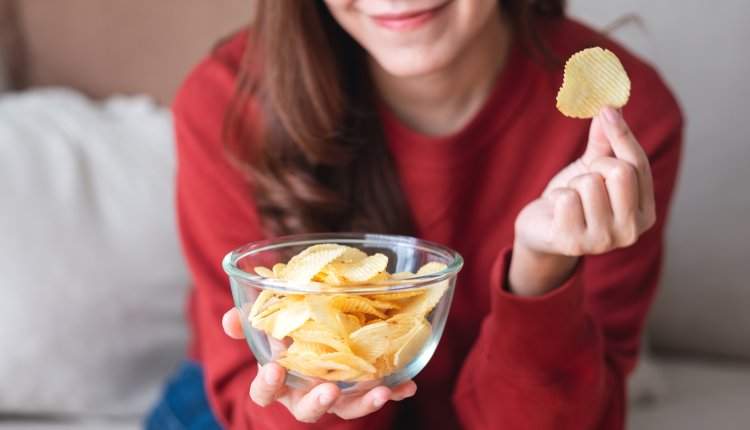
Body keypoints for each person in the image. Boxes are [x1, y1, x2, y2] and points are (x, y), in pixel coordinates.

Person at [146, 0, 683, 429]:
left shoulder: (618, 135)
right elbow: (255, 406)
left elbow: (562, 419)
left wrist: (541, 272)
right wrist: (322, 391)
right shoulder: (225, 102)